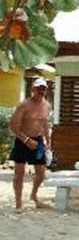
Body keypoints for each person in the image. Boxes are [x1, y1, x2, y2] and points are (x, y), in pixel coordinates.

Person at [8, 77, 51, 213]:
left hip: (38, 142)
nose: (41, 91)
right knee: (19, 173)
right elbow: (13, 126)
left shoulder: (47, 105)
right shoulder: (24, 105)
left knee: (41, 173)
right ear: (33, 89)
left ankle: (34, 195)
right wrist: (26, 140)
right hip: (22, 141)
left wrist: (48, 141)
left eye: (43, 88)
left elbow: (44, 124)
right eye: (38, 88)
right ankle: (18, 203)